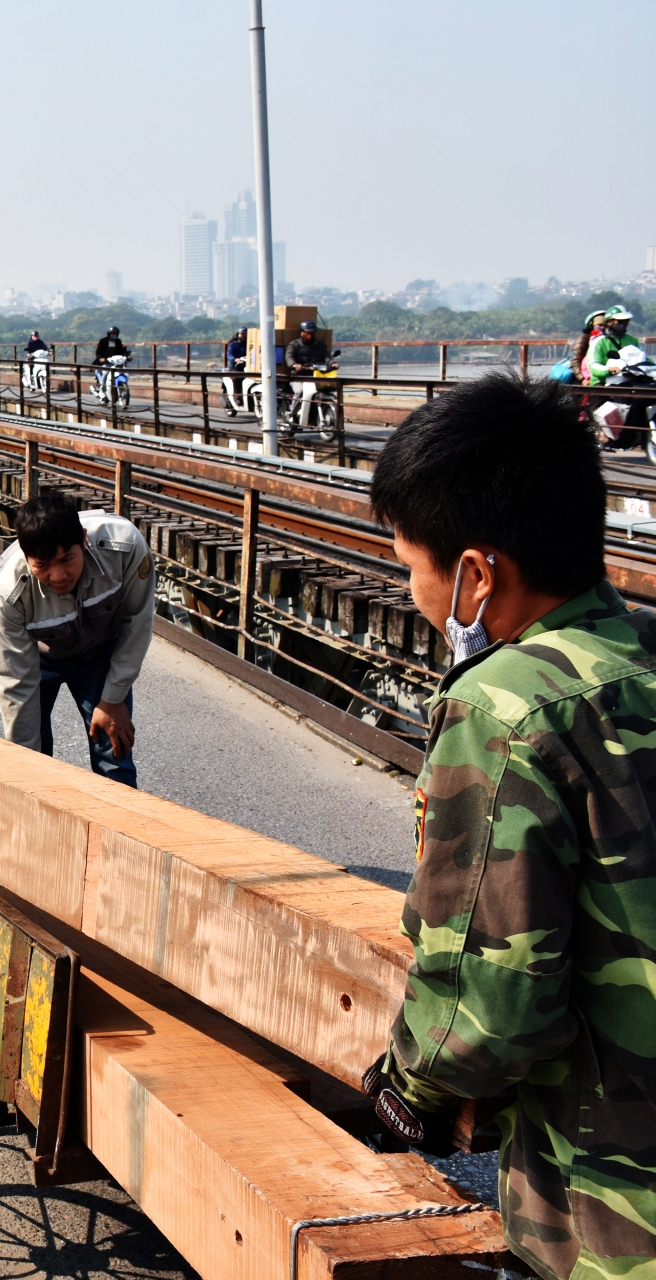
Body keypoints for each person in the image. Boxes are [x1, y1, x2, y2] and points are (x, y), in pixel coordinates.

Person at [359, 373, 656, 1280]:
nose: (412, 591)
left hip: (617, 1199)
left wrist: (404, 1092)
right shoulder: (639, 652)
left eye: (414, 567)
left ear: (478, 575)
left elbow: (495, 1007)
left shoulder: (506, 708)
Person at [0, 489, 154, 788]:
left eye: (67, 559)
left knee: (114, 752)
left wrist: (113, 698)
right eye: (43, 565)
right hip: (36, 660)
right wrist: (24, 767)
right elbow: (15, 683)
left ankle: (121, 828)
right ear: (26, 558)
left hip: (100, 652)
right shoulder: (7, 595)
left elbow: (136, 623)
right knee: (31, 760)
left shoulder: (125, 549)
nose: (58, 575)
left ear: (84, 539)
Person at [586, 304, 640, 385]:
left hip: (628, 380)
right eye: (621, 321)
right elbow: (593, 364)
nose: (624, 324)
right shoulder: (598, 342)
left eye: (627, 321)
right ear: (609, 322)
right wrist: (608, 370)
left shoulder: (632, 340)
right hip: (602, 382)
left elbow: (644, 358)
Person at [224, 328, 249, 412]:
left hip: (247, 367)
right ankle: (238, 397)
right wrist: (235, 359)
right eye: (242, 334)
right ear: (238, 334)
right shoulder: (233, 344)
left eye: (245, 334)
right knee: (237, 378)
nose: (243, 336)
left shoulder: (249, 344)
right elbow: (229, 355)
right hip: (235, 367)